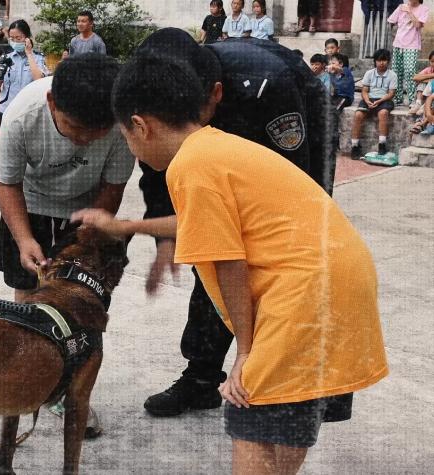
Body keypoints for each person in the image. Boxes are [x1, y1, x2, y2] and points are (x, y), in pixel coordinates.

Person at [109, 54, 388, 475]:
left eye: (125, 137)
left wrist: (245, 350)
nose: (130, 147)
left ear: (141, 125)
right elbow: (203, 222)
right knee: (285, 411)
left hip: (301, 293)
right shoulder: (215, 146)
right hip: (337, 280)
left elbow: (229, 262)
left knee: (250, 408)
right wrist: (127, 224)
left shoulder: (190, 166)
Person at [86, 28, 335, 418]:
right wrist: (165, 242)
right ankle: (202, 377)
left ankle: (295, 372)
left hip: (289, 108)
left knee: (283, 246)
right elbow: (157, 174)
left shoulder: (265, 84)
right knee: (210, 248)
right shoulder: (160, 98)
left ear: (212, 95)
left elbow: (293, 189)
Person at [0, 54, 134, 438]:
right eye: (75, 128)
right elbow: (6, 183)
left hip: (86, 210)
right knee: (29, 301)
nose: (85, 140)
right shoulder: (22, 115)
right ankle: (29, 379)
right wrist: (24, 239)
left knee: (82, 304)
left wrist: (87, 239)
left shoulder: (122, 124)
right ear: (53, 102)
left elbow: (113, 187)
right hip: (31, 207)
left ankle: (69, 390)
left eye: (96, 132)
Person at [0, 20, 48, 131]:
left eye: (19, 38)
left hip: (30, 112)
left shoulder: (38, 58)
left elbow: (39, 80)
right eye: (12, 38)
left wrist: (29, 53)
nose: (15, 41)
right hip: (7, 110)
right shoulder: (7, 58)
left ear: (27, 37)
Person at [350, 48, 397, 158]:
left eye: (384, 60)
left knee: (383, 113)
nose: (381, 63)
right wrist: (367, 101)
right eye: (379, 60)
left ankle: (382, 144)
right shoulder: (369, 73)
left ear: (388, 61)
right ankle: (355, 146)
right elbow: (365, 90)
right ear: (375, 61)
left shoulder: (392, 75)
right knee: (358, 115)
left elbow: (391, 93)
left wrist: (380, 101)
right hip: (369, 99)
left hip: (385, 100)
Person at [387, 0, 430, 106]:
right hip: (398, 44)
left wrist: (409, 12)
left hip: (412, 45)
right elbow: (391, 21)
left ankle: (412, 99)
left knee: (410, 71)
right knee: (397, 71)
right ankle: (398, 98)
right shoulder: (401, 7)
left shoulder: (424, 9)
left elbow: (417, 25)